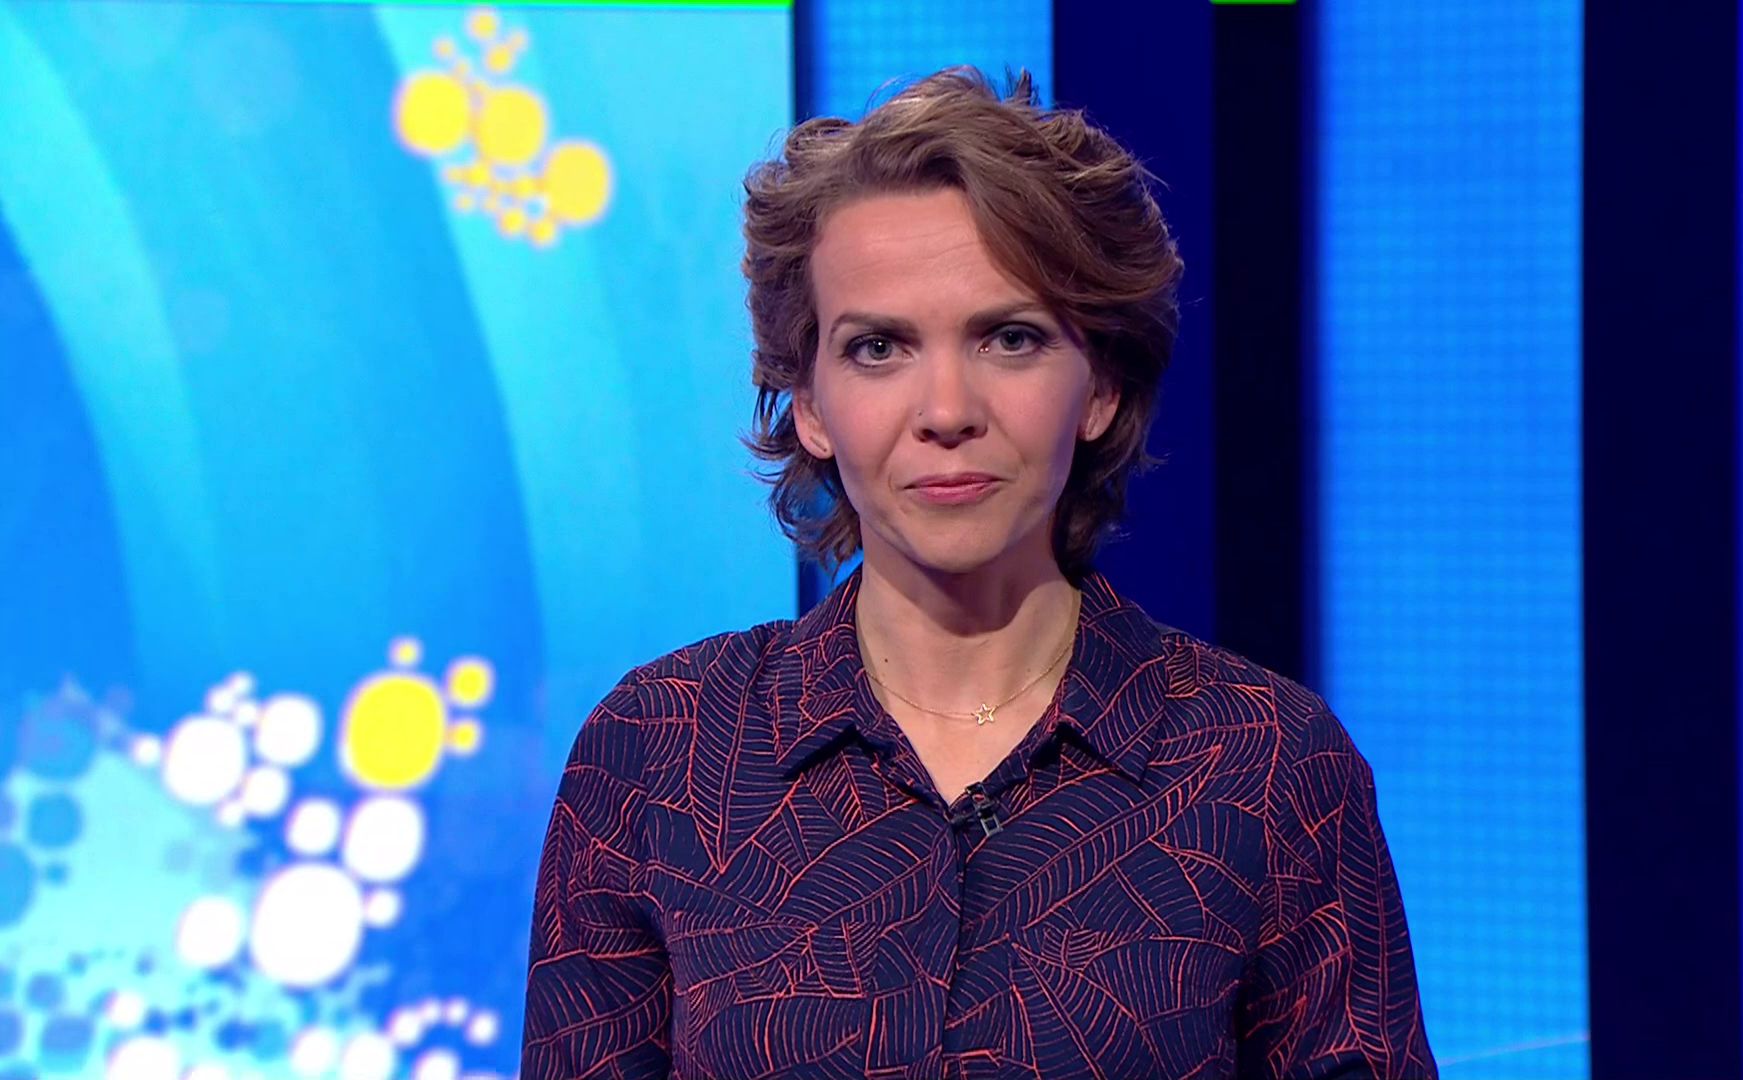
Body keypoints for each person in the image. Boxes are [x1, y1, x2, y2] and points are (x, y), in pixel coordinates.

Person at [520, 67, 1436, 1079]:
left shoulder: (1266, 764)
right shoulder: (658, 751)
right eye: (879, 348)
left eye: (1010, 338)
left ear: (1100, 386)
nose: (947, 411)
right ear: (809, 404)